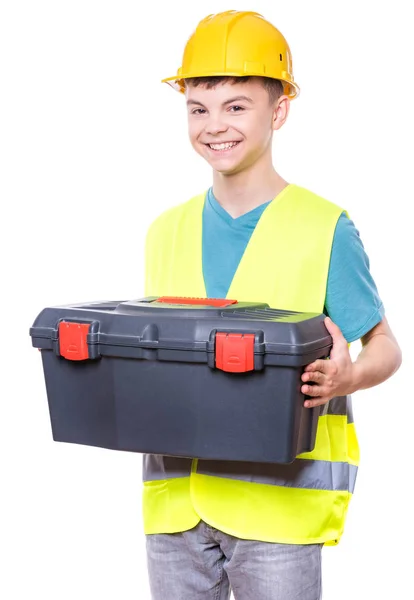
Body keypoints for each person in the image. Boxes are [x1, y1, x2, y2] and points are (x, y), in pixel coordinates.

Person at [143, 10, 402, 600]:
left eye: (237, 106)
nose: (215, 126)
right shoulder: (165, 230)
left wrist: (350, 376)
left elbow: (385, 346)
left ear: (278, 110)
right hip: (174, 506)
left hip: (277, 513)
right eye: (198, 107)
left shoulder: (324, 227)